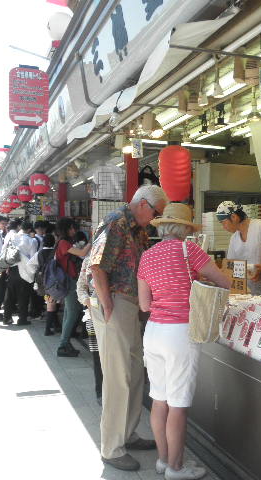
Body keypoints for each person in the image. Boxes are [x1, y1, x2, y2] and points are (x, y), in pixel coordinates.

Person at [138, 203, 230, 480]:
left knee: (159, 399)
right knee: (178, 404)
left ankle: (163, 460)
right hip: (180, 333)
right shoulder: (189, 250)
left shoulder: (147, 255)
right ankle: (176, 468)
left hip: (153, 332)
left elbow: (144, 304)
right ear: (184, 229)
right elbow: (224, 282)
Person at [89, 185, 168, 472]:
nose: (155, 219)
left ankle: (127, 433)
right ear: (144, 204)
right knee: (118, 376)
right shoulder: (117, 222)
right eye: (156, 213)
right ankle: (111, 447)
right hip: (116, 302)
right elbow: (97, 266)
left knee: (134, 373)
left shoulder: (136, 228)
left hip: (129, 304)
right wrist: (107, 304)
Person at [216, 201, 261, 295]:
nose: (223, 227)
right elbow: (231, 266)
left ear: (234, 217)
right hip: (252, 292)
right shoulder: (234, 238)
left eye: (223, 223)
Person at [55, 218, 90, 357]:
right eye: (71, 228)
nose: (74, 231)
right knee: (73, 313)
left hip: (68, 280)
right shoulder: (63, 243)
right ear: (65, 229)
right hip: (68, 281)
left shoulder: (64, 242)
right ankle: (63, 345)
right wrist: (92, 241)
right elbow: (82, 253)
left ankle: (65, 343)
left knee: (69, 313)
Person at [76, 256, 103, 405]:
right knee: (98, 357)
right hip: (93, 315)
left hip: (117, 316)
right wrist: (89, 302)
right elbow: (80, 287)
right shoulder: (89, 260)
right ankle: (100, 392)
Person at [2, 221, 37, 326]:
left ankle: (6, 318)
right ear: (29, 230)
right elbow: (33, 257)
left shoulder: (12, 237)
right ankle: (22, 319)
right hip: (25, 270)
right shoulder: (31, 241)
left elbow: (4, 251)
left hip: (12, 268)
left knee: (10, 295)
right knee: (23, 295)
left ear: (21, 227)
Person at [29, 233, 59, 336]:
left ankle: (55, 325)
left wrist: (37, 272)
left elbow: (30, 264)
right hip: (54, 281)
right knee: (52, 304)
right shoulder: (55, 252)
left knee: (50, 302)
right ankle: (48, 329)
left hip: (43, 282)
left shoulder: (39, 253)